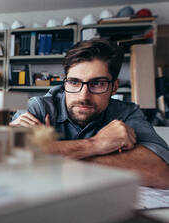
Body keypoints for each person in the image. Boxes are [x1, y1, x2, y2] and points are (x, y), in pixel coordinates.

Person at [10, 39, 169, 189]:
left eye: (98, 83)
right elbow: (6, 162)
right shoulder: (38, 107)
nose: (83, 96)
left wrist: (50, 153)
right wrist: (95, 144)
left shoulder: (126, 113)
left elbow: (162, 173)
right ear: (65, 83)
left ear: (114, 87)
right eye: (74, 82)